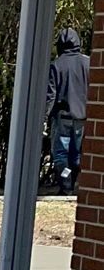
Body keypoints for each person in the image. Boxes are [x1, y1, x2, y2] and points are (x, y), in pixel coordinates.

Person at [46, 26, 91, 195]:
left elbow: (51, 95)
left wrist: (44, 117)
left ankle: (66, 186)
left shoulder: (56, 66)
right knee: (77, 153)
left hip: (62, 117)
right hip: (82, 117)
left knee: (60, 154)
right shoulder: (88, 63)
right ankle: (76, 184)